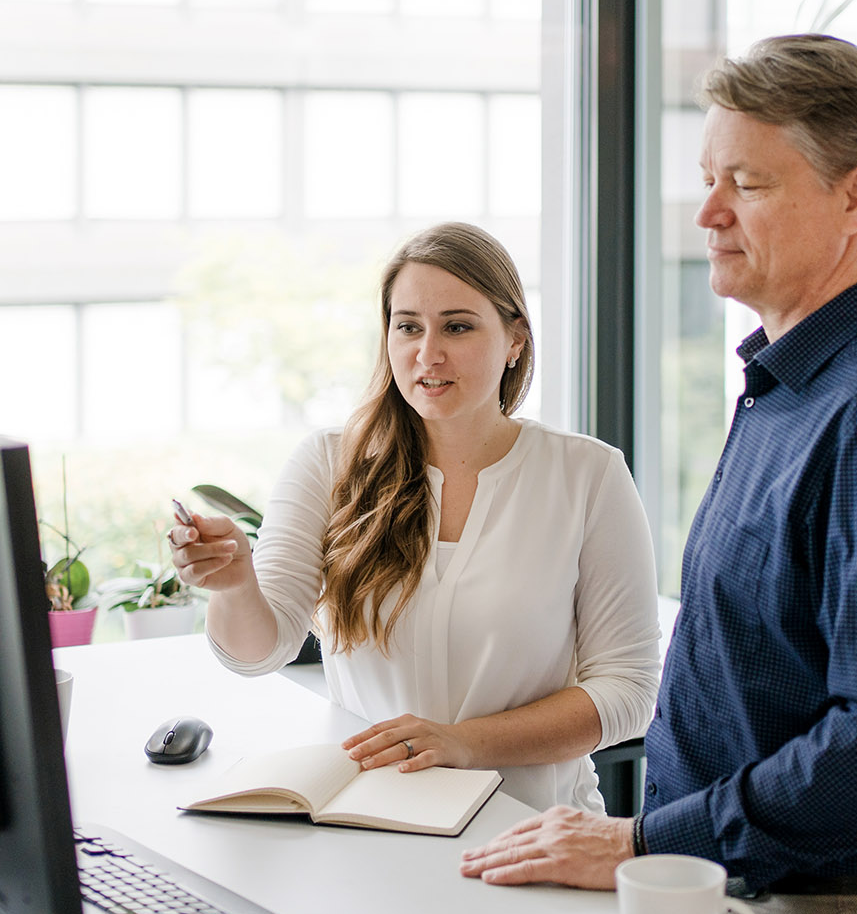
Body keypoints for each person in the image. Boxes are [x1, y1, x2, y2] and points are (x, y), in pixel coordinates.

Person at [459, 35, 857, 914]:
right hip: (748, 898)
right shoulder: (789, 393)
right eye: (707, 178)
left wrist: (639, 838)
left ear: (855, 197)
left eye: (744, 183)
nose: (706, 212)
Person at [170, 222, 662, 813]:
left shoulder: (589, 475)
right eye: (408, 327)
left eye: (457, 326)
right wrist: (233, 584)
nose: (428, 354)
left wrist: (460, 744)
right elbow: (258, 651)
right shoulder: (329, 462)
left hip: (533, 830)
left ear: (515, 340)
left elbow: (628, 692)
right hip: (371, 820)